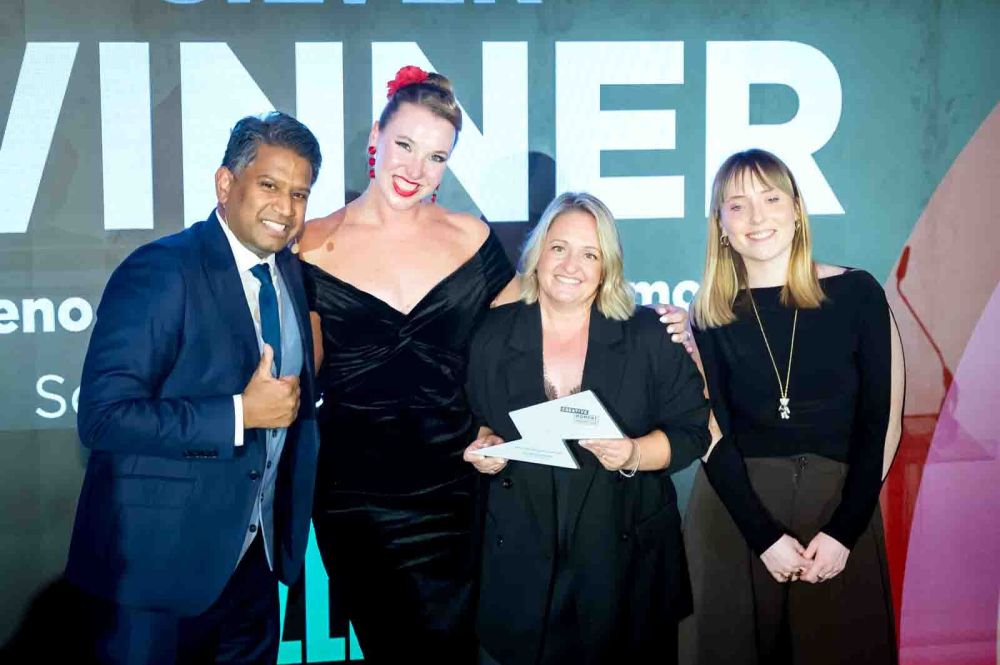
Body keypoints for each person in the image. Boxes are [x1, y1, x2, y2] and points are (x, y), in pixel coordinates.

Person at [298, 66, 692, 663]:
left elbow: (555, 299)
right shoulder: (307, 243)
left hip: (462, 487)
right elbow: (299, 369)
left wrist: (663, 326)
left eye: (436, 157)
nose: (415, 169)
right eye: (404, 144)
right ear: (375, 138)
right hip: (359, 498)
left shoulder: (472, 239)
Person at [66, 112, 322, 664]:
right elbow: (103, 417)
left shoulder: (288, 274)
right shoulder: (161, 270)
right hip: (152, 580)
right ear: (226, 184)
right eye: (269, 185)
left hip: (254, 570)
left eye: (299, 194)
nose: (285, 208)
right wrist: (239, 414)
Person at [462, 192, 711, 665]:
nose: (570, 265)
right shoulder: (491, 334)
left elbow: (692, 430)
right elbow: (477, 418)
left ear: (607, 267)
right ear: (538, 253)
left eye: (589, 254)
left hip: (626, 567)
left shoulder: (648, 333)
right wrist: (485, 445)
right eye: (559, 248)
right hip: (522, 566)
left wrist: (634, 453)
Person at [683, 149, 903, 664]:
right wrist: (763, 536)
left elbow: (882, 420)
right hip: (737, 515)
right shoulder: (708, 313)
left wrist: (845, 530)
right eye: (737, 205)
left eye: (771, 198)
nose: (756, 217)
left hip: (839, 510)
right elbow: (710, 431)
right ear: (721, 225)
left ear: (797, 210)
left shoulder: (858, 293)